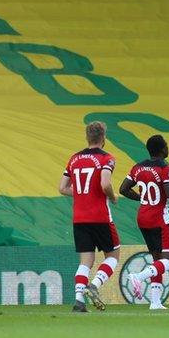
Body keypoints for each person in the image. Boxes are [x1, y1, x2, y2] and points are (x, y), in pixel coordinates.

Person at [59, 121, 120, 312]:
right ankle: (94, 285)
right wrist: (113, 196)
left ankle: (79, 301)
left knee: (85, 261)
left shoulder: (74, 159)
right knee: (113, 255)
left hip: (79, 218)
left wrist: (82, 193)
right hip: (100, 216)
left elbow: (62, 188)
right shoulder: (107, 158)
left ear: (87, 137)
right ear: (103, 138)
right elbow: (105, 184)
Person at [119, 135, 169, 310]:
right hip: (160, 220)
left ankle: (155, 302)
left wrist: (142, 197)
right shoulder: (165, 169)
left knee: (157, 259)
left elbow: (123, 189)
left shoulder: (138, 167)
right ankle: (139, 277)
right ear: (163, 149)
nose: (167, 148)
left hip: (143, 217)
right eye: (166, 145)